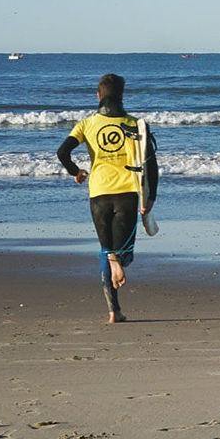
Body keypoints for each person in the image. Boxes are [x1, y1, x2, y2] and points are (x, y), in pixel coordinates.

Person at [56, 73, 158, 324]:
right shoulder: (136, 125)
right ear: (122, 96)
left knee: (106, 248)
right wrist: (151, 198)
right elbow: (151, 165)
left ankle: (114, 311)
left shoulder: (86, 124)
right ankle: (117, 263)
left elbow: (62, 152)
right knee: (124, 253)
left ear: (97, 96)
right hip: (127, 194)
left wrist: (76, 171)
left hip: (99, 194)